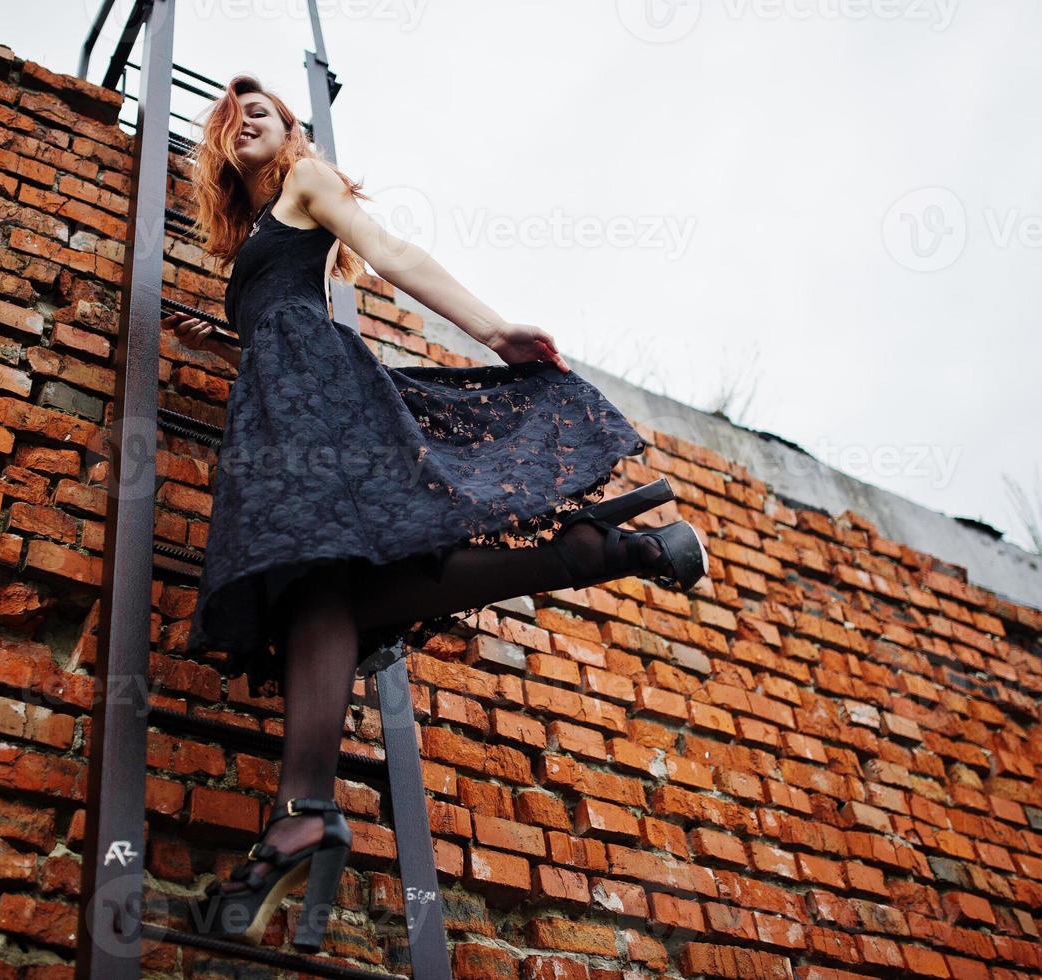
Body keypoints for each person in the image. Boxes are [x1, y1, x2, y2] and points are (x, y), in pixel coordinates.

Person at [161, 74, 708, 952]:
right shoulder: (258, 238)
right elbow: (281, 316)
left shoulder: (308, 179)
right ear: (223, 145)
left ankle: (304, 812)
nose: (252, 119)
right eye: (236, 116)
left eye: (267, 110)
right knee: (323, 597)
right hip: (280, 399)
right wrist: (227, 339)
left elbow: (390, 251)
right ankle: (602, 553)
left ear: (292, 131)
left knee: (319, 587)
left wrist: (494, 334)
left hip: (311, 400)